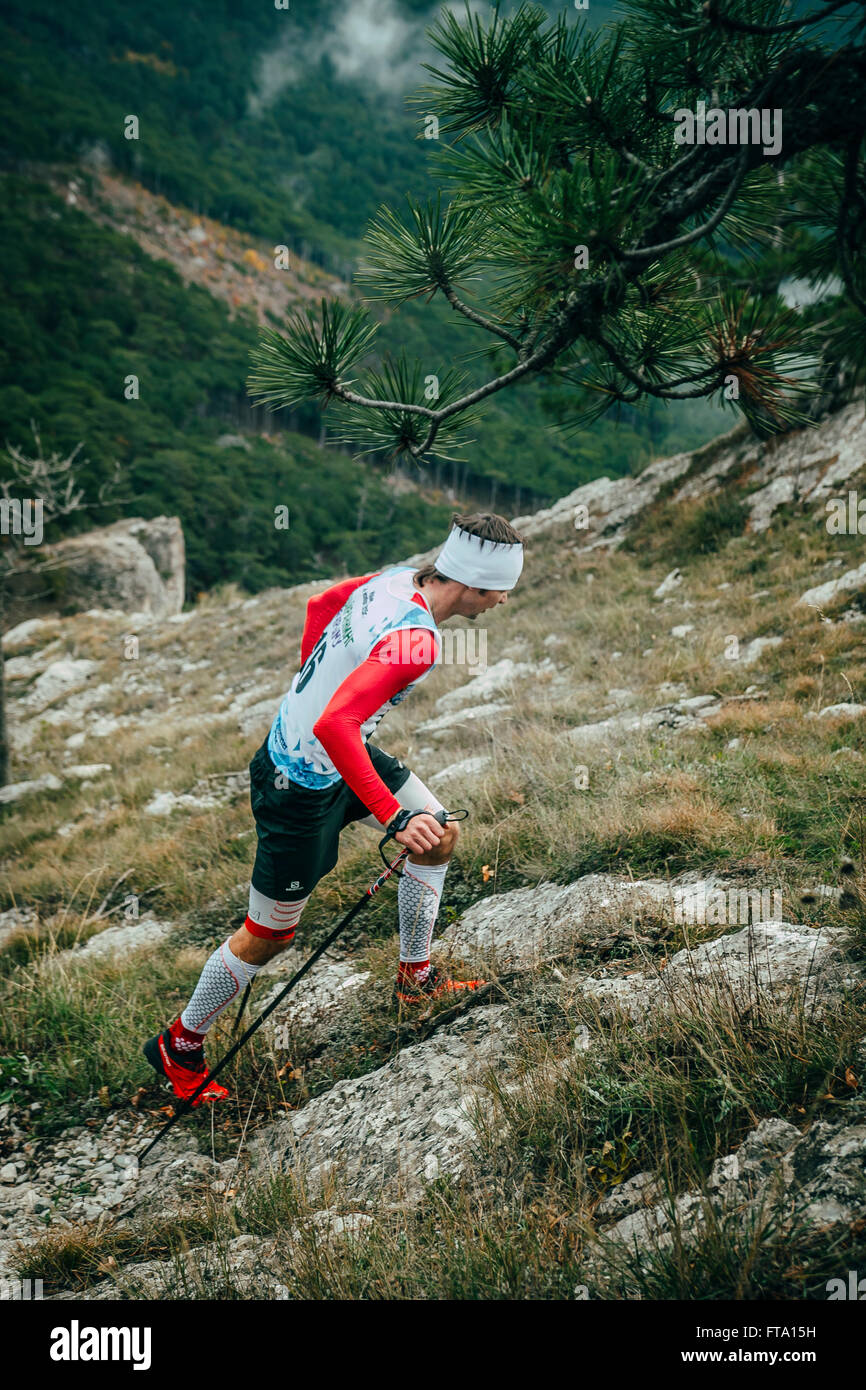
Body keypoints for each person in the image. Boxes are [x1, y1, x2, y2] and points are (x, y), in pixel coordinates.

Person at [144, 512, 525, 1103]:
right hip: (297, 783)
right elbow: (334, 722)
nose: (503, 601)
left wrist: (312, 679)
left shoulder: (396, 579)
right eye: (503, 589)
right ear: (474, 585)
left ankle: (415, 978)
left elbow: (321, 605)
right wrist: (394, 817)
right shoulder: (418, 641)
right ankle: (180, 1042)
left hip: (343, 757)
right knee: (269, 935)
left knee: (442, 835)